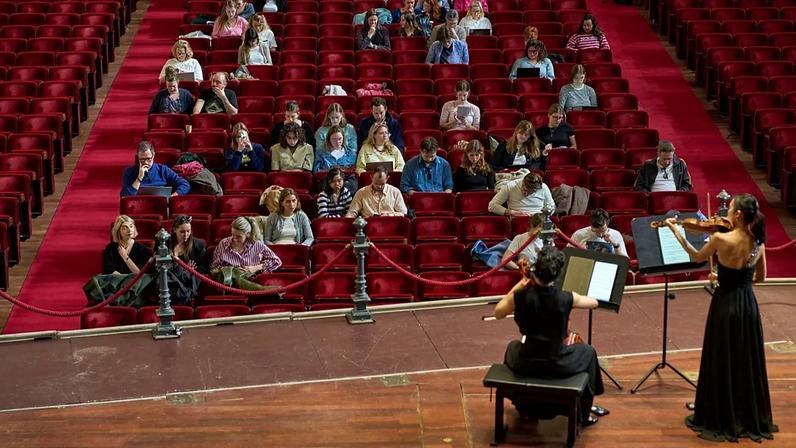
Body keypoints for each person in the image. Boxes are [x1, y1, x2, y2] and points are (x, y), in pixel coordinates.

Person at [662, 194, 777, 442]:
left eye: (731, 206)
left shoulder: (720, 238)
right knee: (746, 358)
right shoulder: (759, 242)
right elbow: (760, 279)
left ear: (737, 214)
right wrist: (732, 279)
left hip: (725, 305)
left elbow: (695, 257)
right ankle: (745, 413)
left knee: (722, 357)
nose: (725, 211)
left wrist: (675, 230)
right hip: (747, 305)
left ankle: (720, 413)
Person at [494, 246, 605, 426]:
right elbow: (594, 302)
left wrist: (520, 284)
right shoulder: (566, 297)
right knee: (588, 352)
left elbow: (498, 312)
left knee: (512, 346)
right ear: (557, 275)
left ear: (535, 270)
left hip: (527, 361)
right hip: (557, 362)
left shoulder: (520, 296)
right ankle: (583, 412)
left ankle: (523, 405)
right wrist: (573, 299)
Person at [210, 216, 282, 290]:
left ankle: (262, 290)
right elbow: (214, 268)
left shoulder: (257, 245)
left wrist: (255, 268)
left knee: (239, 278)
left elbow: (276, 261)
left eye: (239, 236)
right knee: (236, 275)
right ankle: (265, 291)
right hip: (229, 282)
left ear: (247, 234)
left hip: (251, 279)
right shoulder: (223, 243)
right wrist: (232, 270)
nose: (234, 239)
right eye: (233, 235)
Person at [120, 140, 190, 197]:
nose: (146, 162)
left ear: (153, 155)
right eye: (142, 159)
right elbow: (125, 196)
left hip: (161, 207)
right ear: (138, 157)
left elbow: (184, 184)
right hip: (138, 208)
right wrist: (139, 178)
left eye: (148, 159)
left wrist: (172, 197)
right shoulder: (129, 172)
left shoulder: (163, 170)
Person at [167, 215, 206, 305]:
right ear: (174, 230)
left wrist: (190, 271)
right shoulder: (165, 243)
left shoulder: (198, 244)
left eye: (188, 231)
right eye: (182, 232)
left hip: (187, 280)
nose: (186, 235)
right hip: (170, 279)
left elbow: (203, 269)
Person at [488, 172, 555, 217]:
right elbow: (492, 206)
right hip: (518, 218)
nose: (526, 194)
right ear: (523, 183)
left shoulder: (543, 187)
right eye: (525, 190)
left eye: (530, 192)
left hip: (538, 219)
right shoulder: (510, 186)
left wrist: (542, 215)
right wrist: (513, 212)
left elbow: (552, 207)